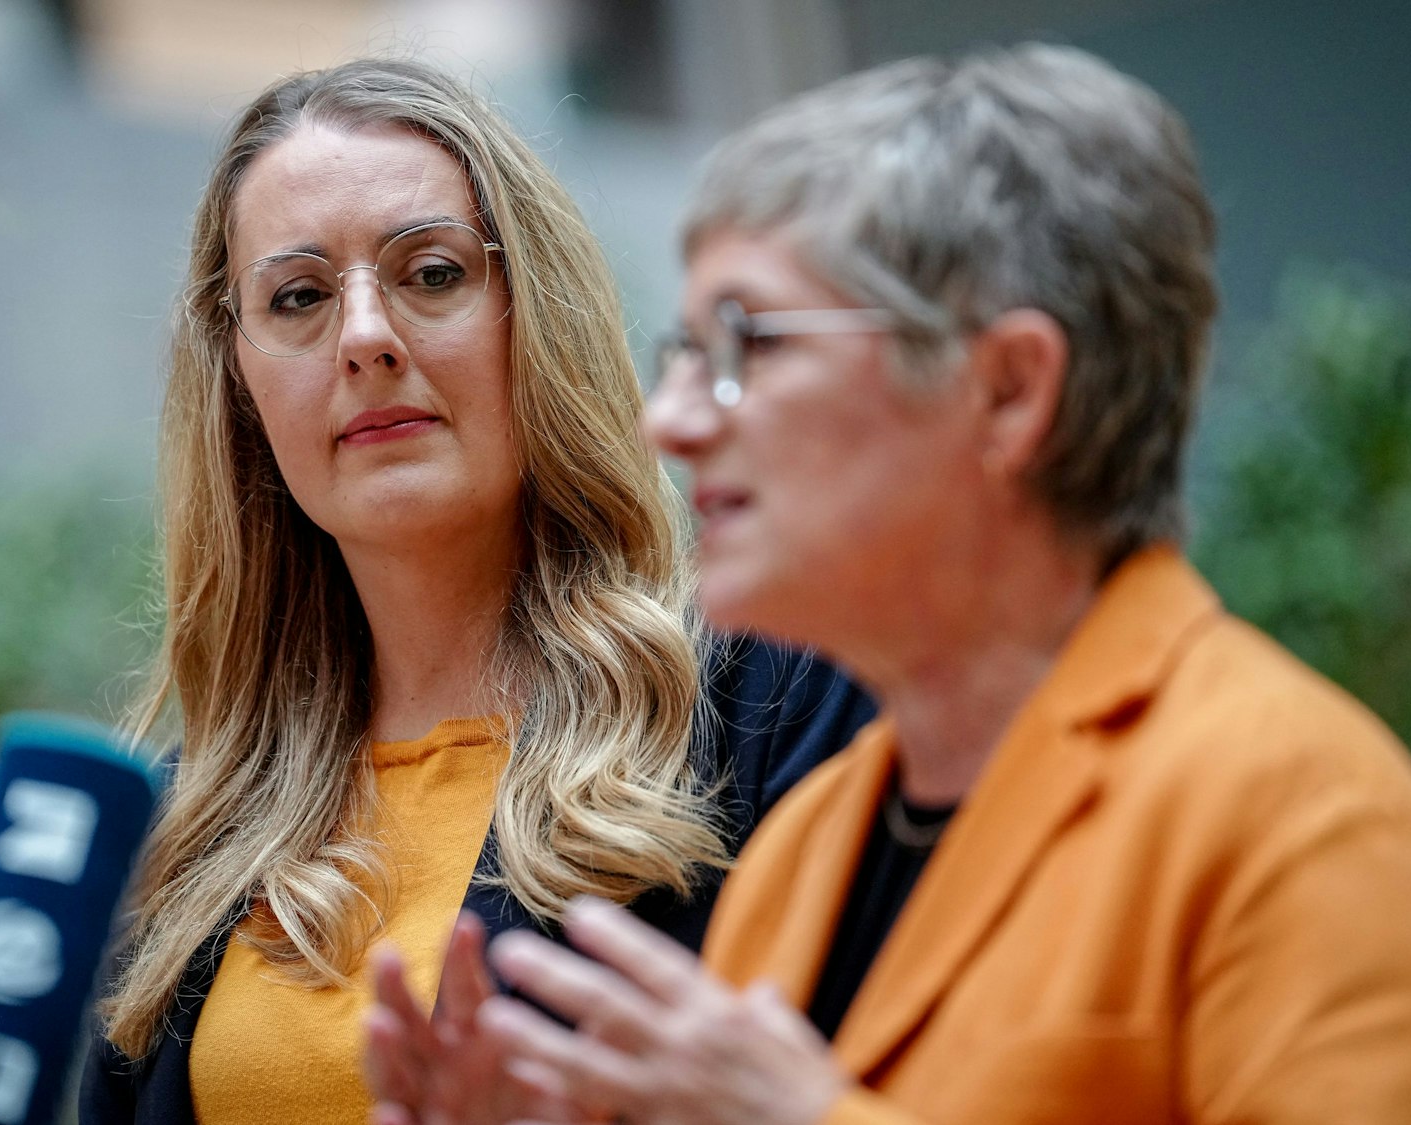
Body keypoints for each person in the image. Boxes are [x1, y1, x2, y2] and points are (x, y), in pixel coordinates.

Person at [378, 45, 1411, 1124]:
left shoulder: (1298, 819)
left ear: (1007, 391)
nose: (670, 421)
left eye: (749, 346)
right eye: (681, 354)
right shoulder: (805, 845)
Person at [77, 58, 875, 1125]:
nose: (366, 336)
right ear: (241, 382)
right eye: (300, 297)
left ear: (533, 313)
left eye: (432, 272)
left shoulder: (770, 697)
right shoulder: (179, 827)